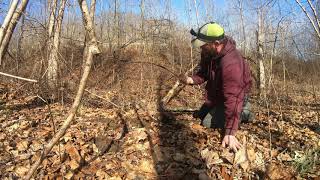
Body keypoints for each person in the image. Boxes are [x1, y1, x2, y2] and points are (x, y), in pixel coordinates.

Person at [180, 22, 252, 152]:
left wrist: (230, 132)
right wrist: (191, 79)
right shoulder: (209, 53)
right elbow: (204, 73)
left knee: (207, 123)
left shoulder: (232, 63)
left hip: (235, 98)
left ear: (216, 43)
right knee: (200, 115)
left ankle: (245, 111)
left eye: (204, 45)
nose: (201, 48)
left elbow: (233, 97)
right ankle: (222, 110)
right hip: (218, 95)